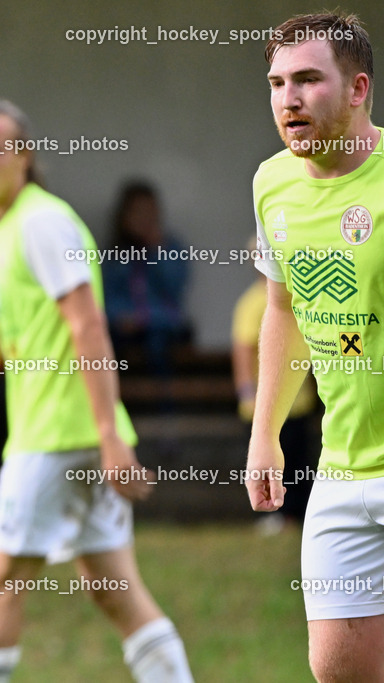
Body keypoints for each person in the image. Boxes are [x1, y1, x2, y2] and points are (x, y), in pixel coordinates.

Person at [0, 99, 193, 683]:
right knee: (113, 590)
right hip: (72, 438)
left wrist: (111, 438)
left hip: (58, 442)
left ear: (24, 156)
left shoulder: (41, 224)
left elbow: (89, 326)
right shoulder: (12, 232)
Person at [246, 12, 384, 682]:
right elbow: (283, 310)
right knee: (338, 671)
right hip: (341, 469)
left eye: (306, 79)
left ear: (358, 89)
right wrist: (265, 432)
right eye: (276, 83)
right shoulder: (272, 183)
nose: (287, 98)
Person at [232, 242, 316, 533]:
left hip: (298, 401)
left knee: (297, 460)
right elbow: (242, 349)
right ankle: (274, 513)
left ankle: (296, 514)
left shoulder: (295, 296)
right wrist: (246, 390)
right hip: (264, 404)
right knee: (269, 460)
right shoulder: (252, 302)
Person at [103, 181, 191, 376]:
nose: (144, 219)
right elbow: (105, 297)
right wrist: (121, 317)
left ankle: (164, 403)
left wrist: (157, 250)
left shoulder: (171, 249)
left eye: (150, 211)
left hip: (162, 326)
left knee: (159, 344)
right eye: (137, 212)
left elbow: (174, 289)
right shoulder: (115, 256)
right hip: (124, 330)